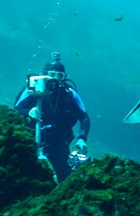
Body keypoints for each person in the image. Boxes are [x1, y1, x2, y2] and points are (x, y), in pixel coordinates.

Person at [15, 52, 90, 183]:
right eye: (52, 75)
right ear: (44, 75)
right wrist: (29, 112)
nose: (56, 79)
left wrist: (82, 138)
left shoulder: (69, 93)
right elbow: (17, 109)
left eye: (60, 76)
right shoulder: (32, 89)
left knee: (62, 171)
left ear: (64, 77)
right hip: (33, 135)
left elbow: (84, 117)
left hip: (59, 137)